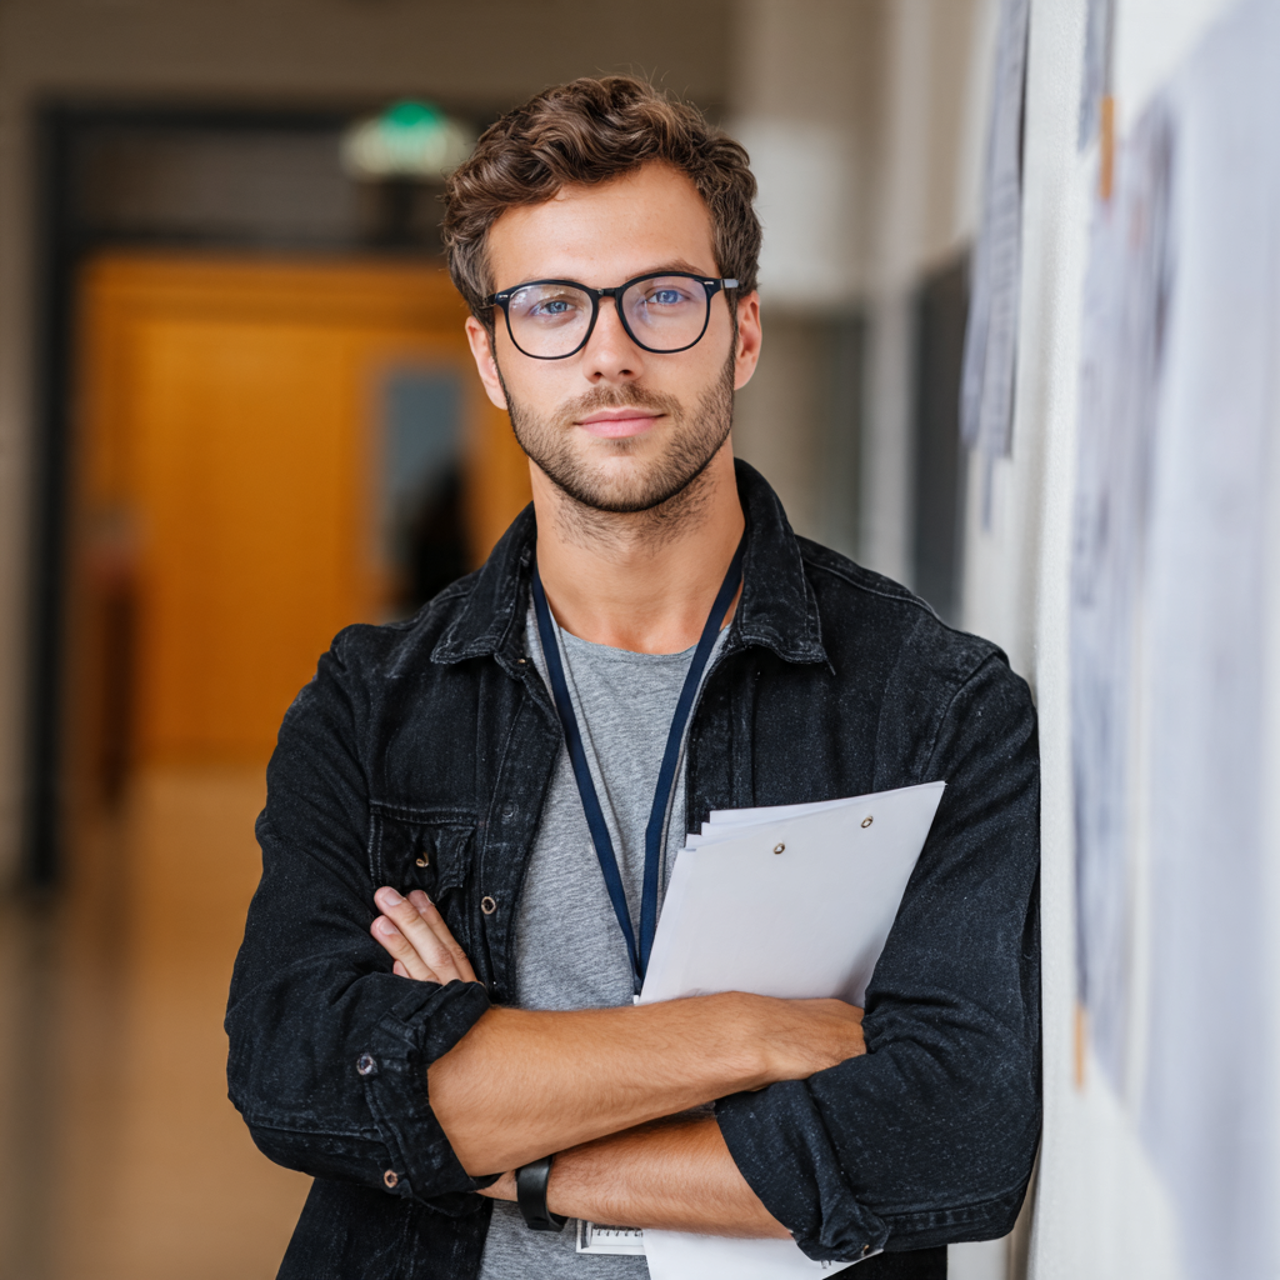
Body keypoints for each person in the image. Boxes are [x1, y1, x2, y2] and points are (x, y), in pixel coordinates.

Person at [226, 76, 1040, 1280]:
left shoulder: (932, 706)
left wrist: (509, 1136)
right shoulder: (372, 707)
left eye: (661, 295)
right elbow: (298, 1072)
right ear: (493, 356)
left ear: (741, 328)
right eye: (550, 305)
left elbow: (953, 1141)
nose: (607, 352)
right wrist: (741, 1034)